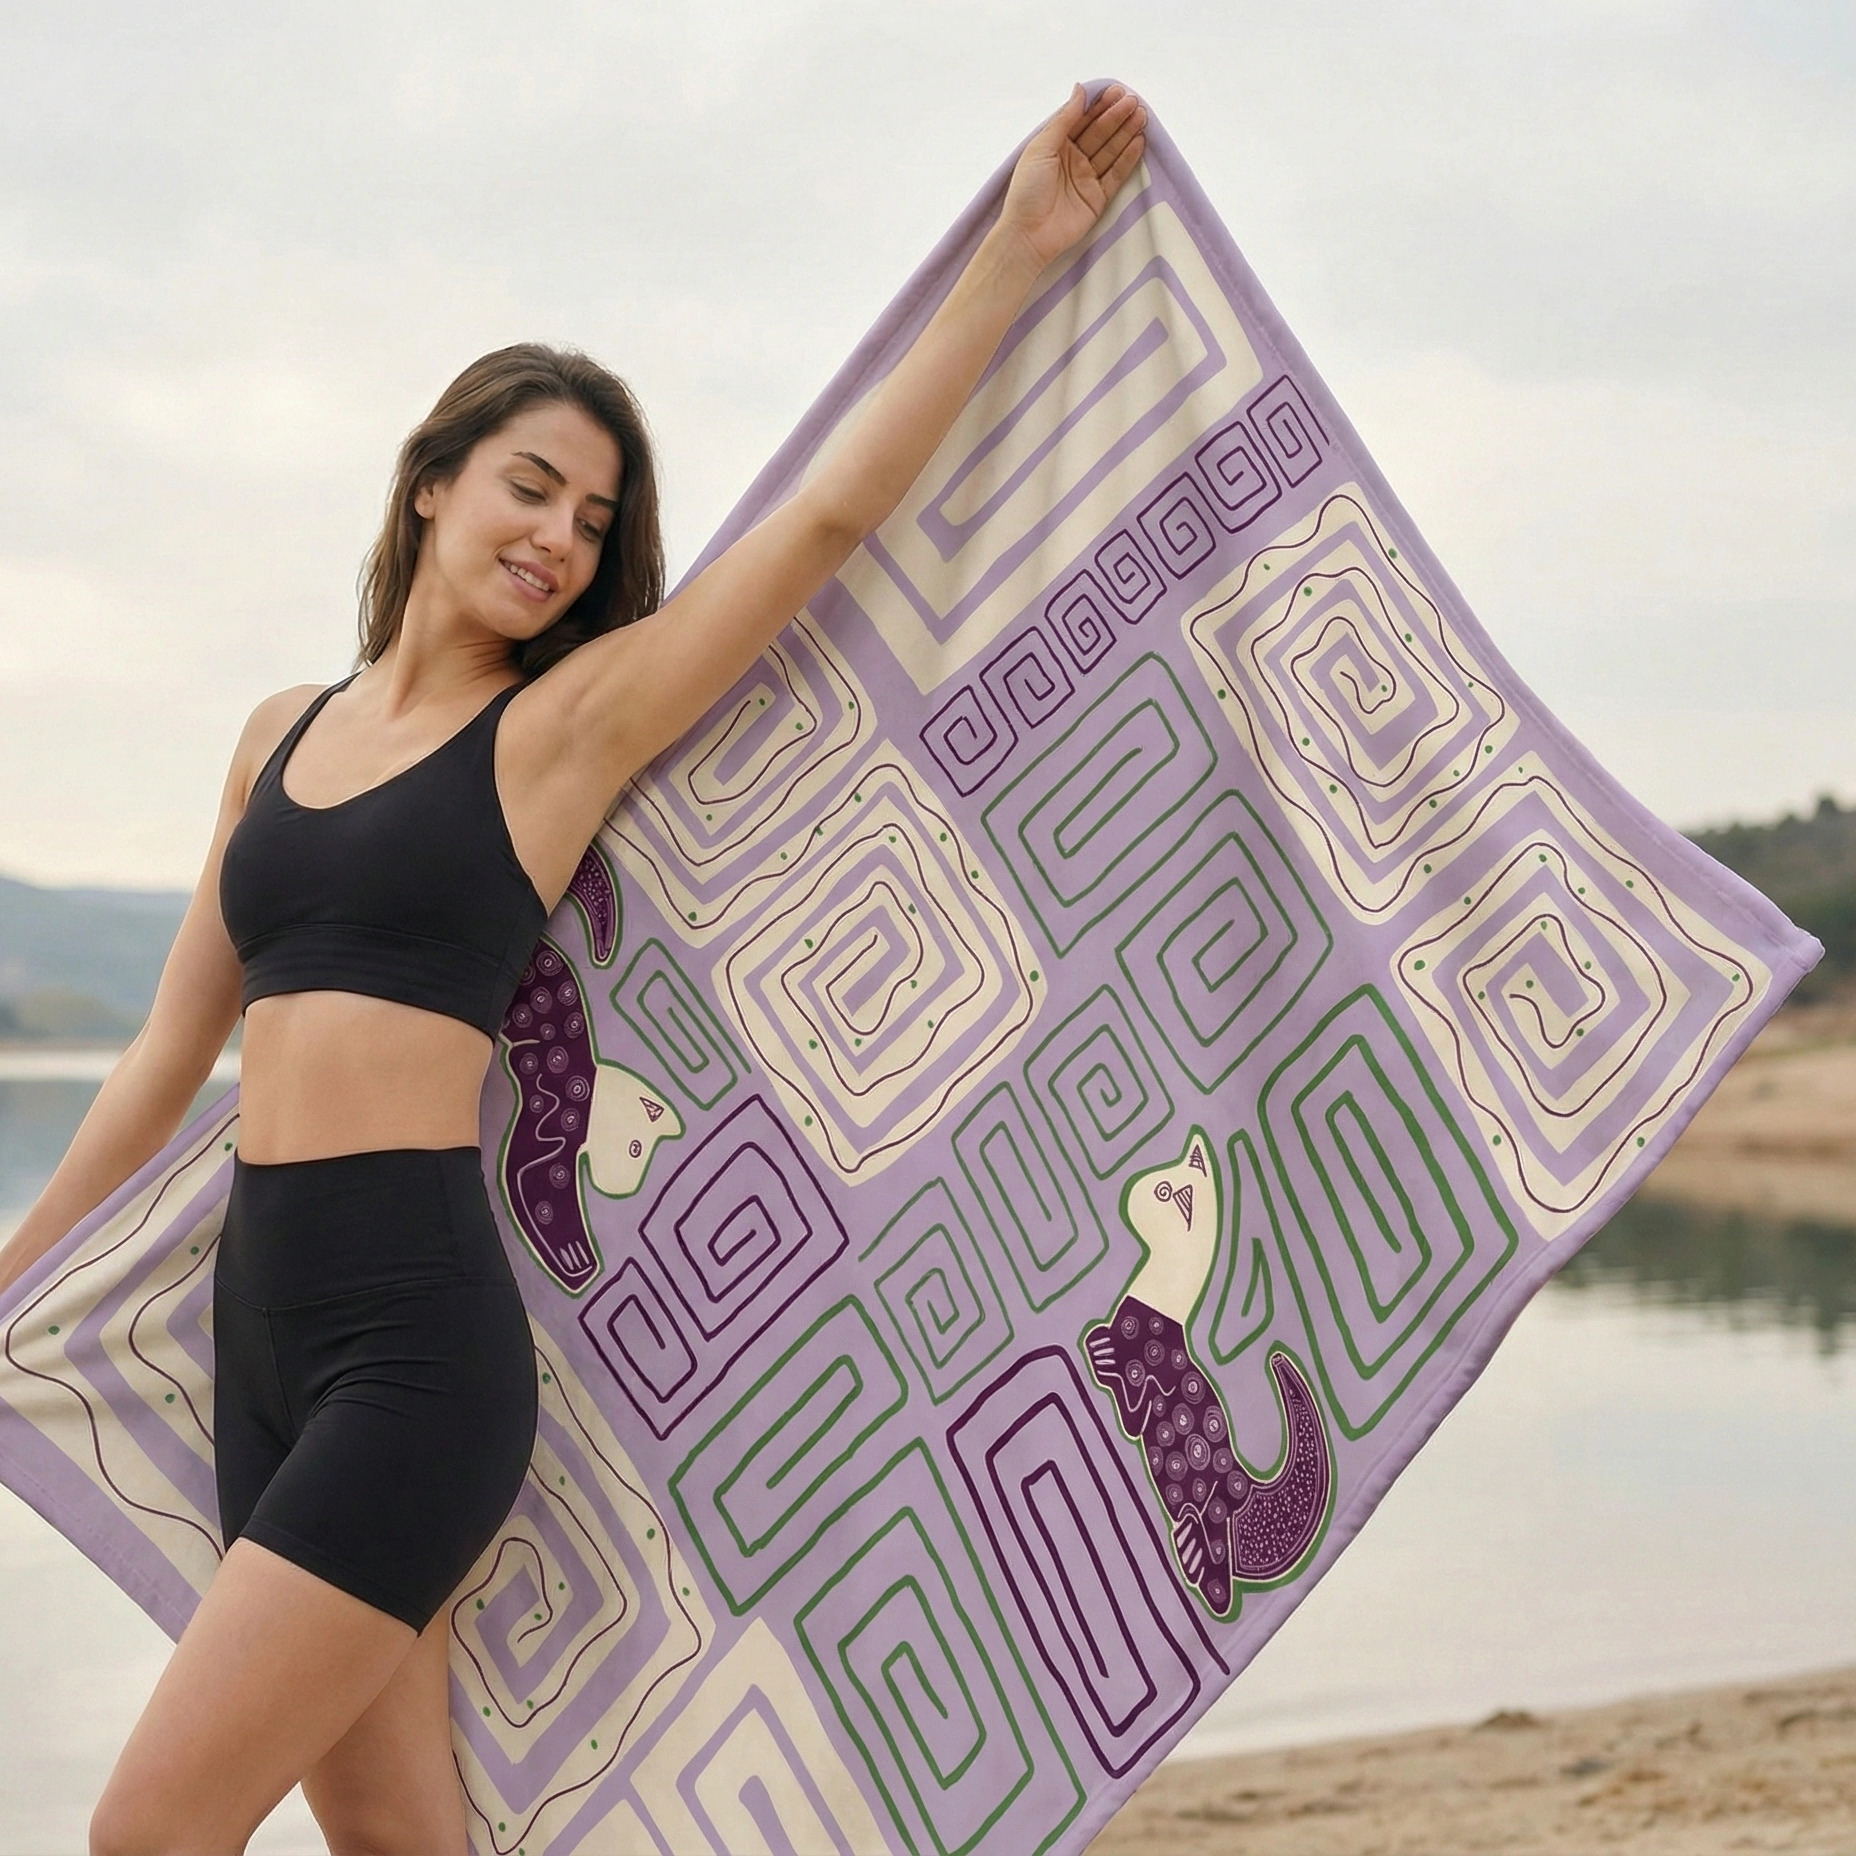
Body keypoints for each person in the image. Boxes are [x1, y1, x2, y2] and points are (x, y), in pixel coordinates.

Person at [0, 83, 1146, 1855]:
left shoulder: (562, 734)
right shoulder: (274, 738)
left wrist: (1011, 256)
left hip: (415, 1346)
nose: (558, 534)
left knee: (143, 1836)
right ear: (435, 480)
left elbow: (826, 525)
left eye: (594, 519)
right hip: (260, 1325)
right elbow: (167, 1058)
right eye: (530, 483)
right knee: (399, 1844)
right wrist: (8, 1274)